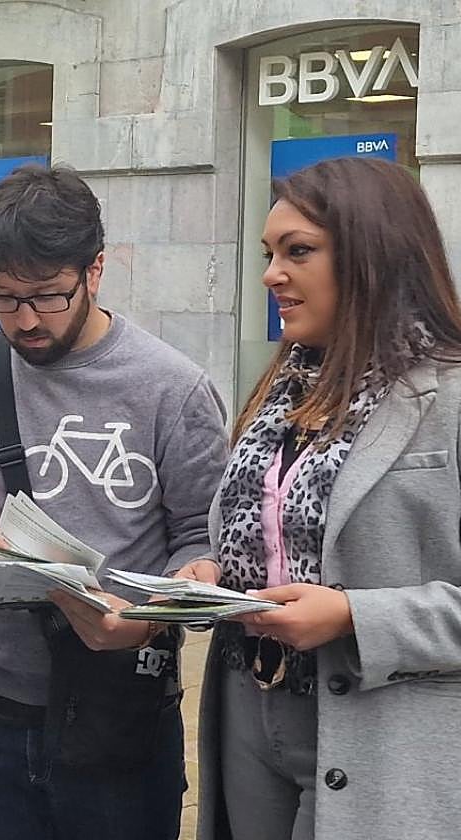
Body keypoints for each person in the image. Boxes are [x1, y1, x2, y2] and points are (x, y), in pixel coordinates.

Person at [0, 162, 228, 840]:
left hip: (120, 713)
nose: (25, 321)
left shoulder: (174, 388)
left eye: (47, 296)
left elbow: (205, 539)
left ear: (95, 270)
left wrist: (150, 613)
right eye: (4, 297)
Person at [174, 156, 461, 840]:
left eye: (298, 251)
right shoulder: (279, 391)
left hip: (384, 737)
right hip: (248, 712)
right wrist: (211, 574)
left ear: (373, 254)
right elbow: (264, 535)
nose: (272, 273)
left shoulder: (447, 396)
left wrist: (355, 617)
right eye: (270, 253)